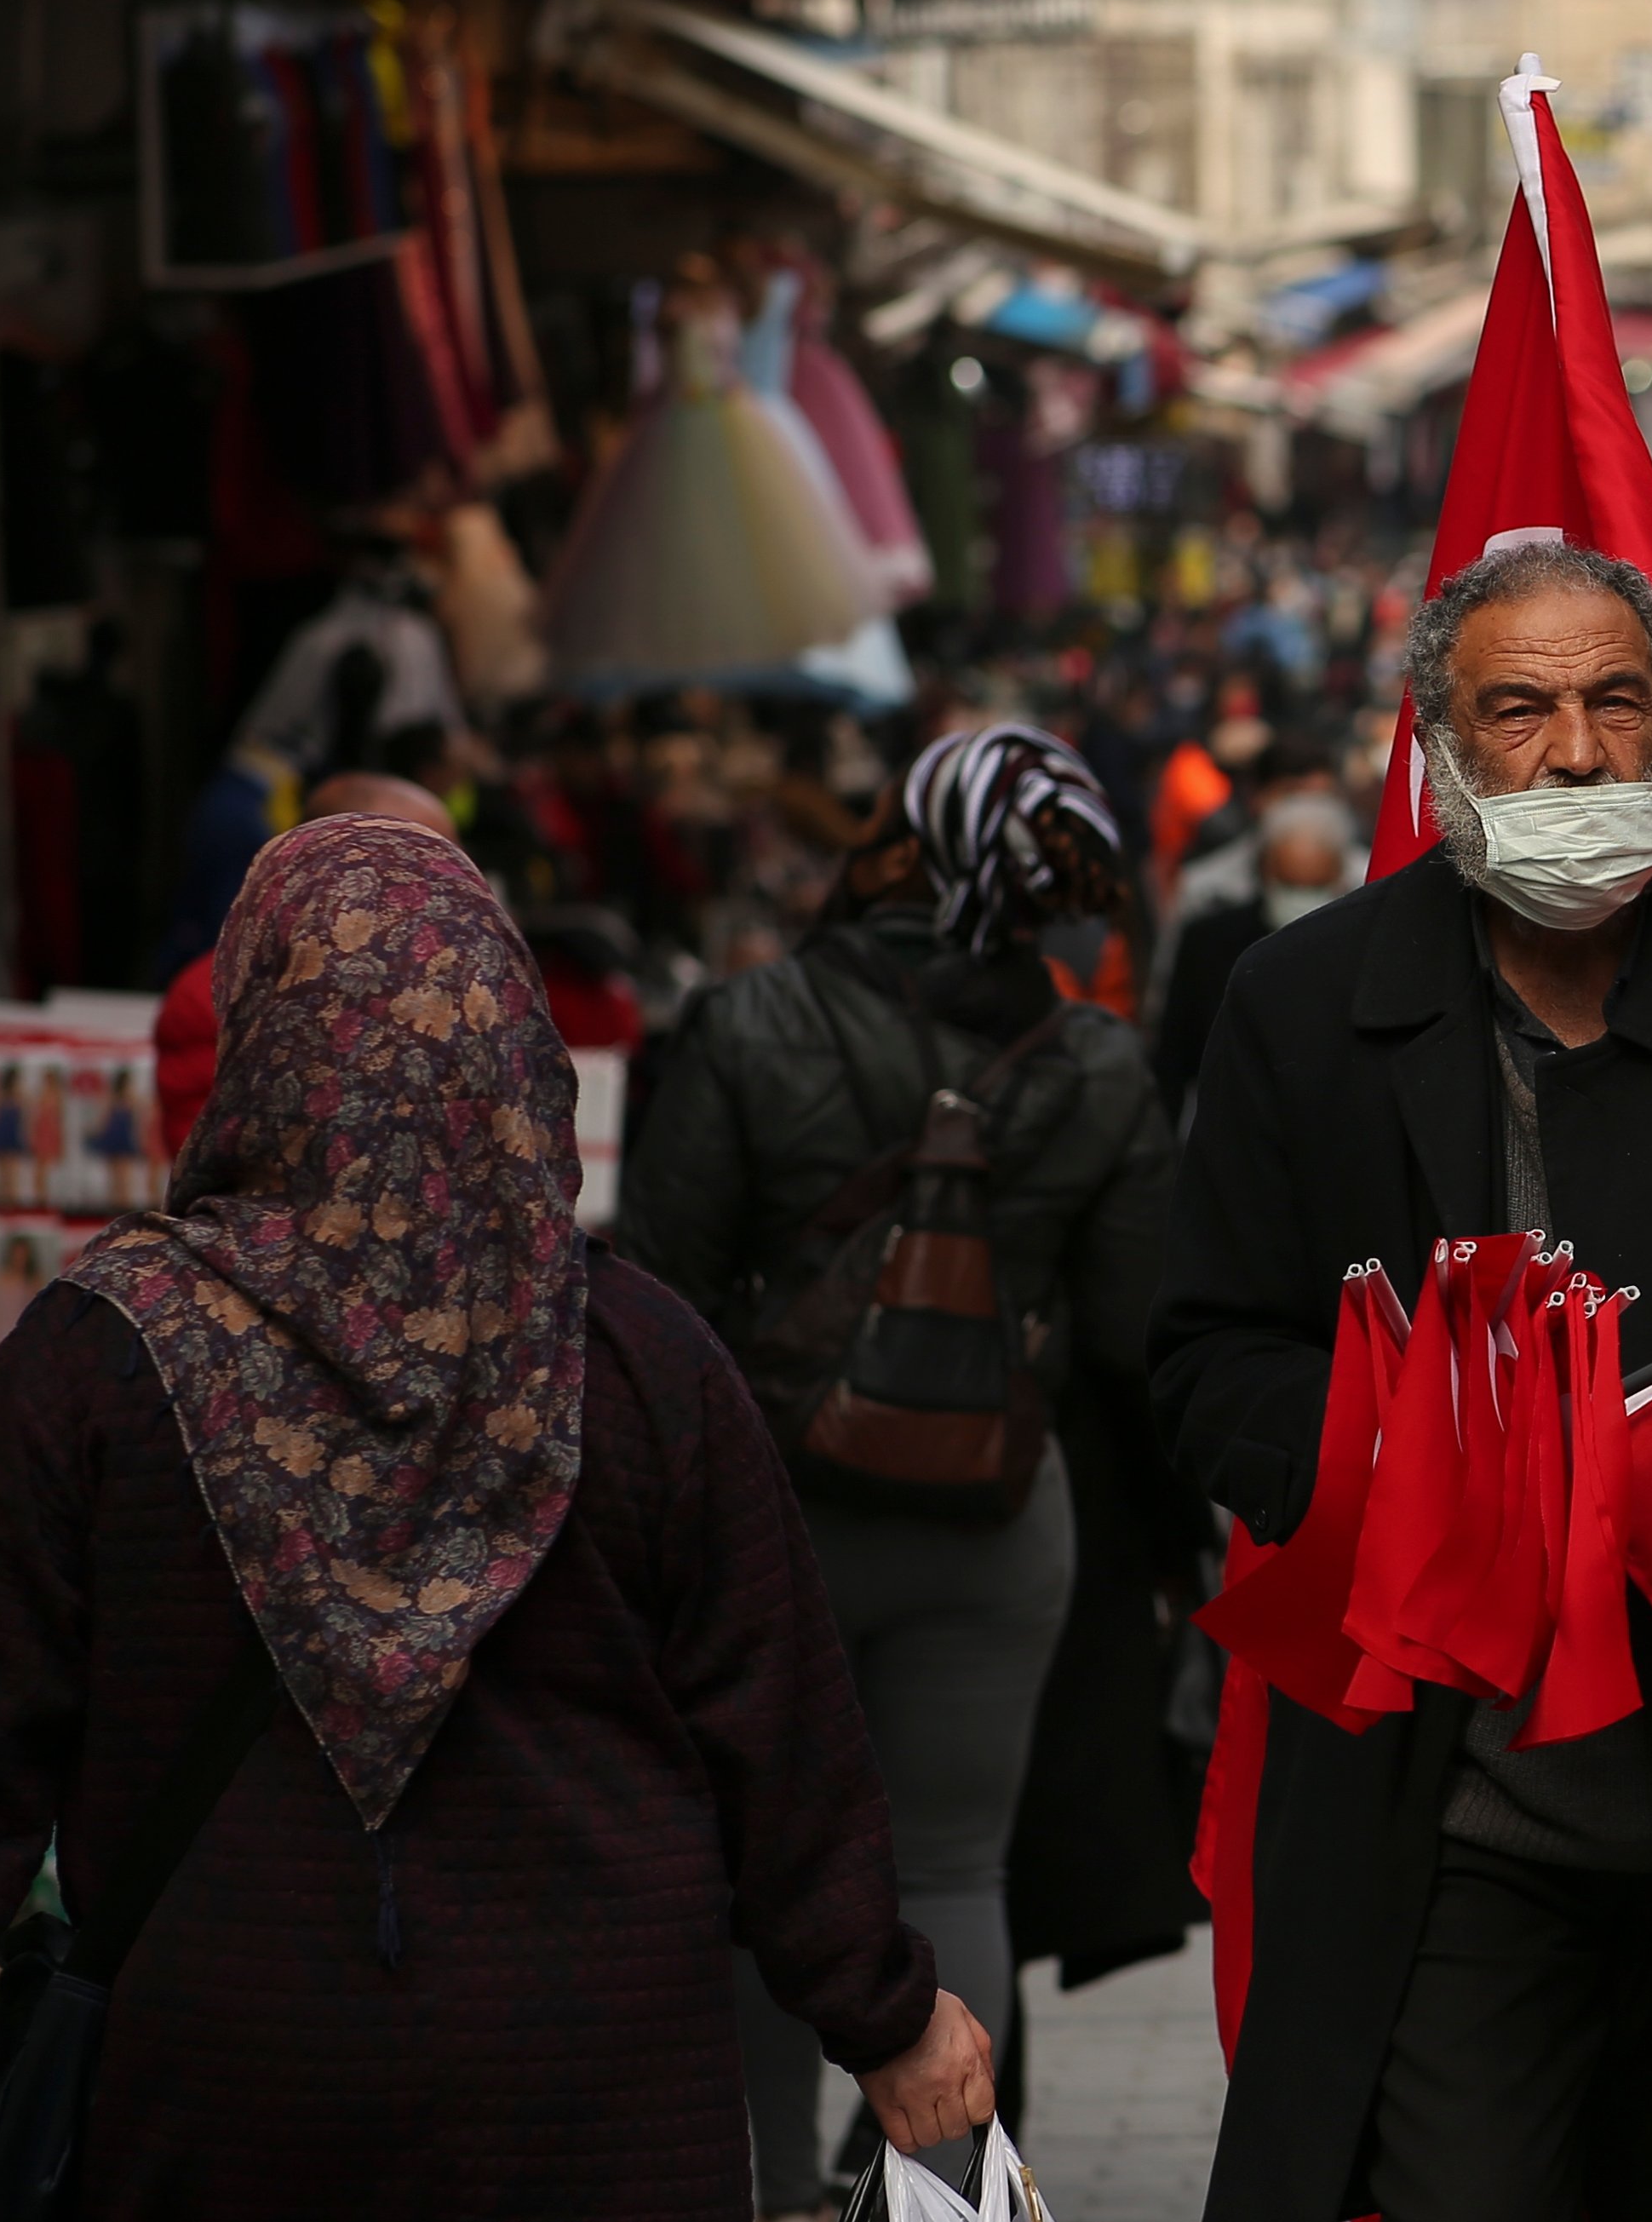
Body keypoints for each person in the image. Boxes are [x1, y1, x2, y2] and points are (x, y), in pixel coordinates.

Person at [0, 816, 991, 2222]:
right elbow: (782, 1738)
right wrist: (882, 2011)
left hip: (226, 2093)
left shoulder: (100, 1360)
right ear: (512, 1037)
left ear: (264, 1036)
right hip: (597, 2095)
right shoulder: (634, 1359)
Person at [1154, 541, 1652, 2222]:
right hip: (1460, 1818)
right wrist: (1408, 1457)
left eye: (1613, 701)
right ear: (1438, 748)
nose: (1574, 750)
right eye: (1518, 709)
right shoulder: (1300, 1008)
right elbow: (1204, 1347)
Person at [622, 726, 1183, 2217]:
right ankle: (940, 2194)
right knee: (952, 1863)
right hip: (1000, 1511)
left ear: (898, 843)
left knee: (754, 1866)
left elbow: (659, 1281)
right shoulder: (1096, 1060)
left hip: (766, 1514)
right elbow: (1135, 1322)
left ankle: (753, 2180)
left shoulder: (747, 1021)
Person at [154, 772, 462, 1148]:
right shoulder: (217, 997)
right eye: (417, 872)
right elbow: (220, 1174)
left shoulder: (471, 992)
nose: (449, 895)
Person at [1156, 786, 1361, 1116]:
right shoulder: (1209, 943)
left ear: (1340, 875)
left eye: (1316, 887)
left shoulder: (1367, 945)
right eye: (1292, 885)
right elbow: (1173, 1050)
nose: (1303, 899)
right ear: (1265, 870)